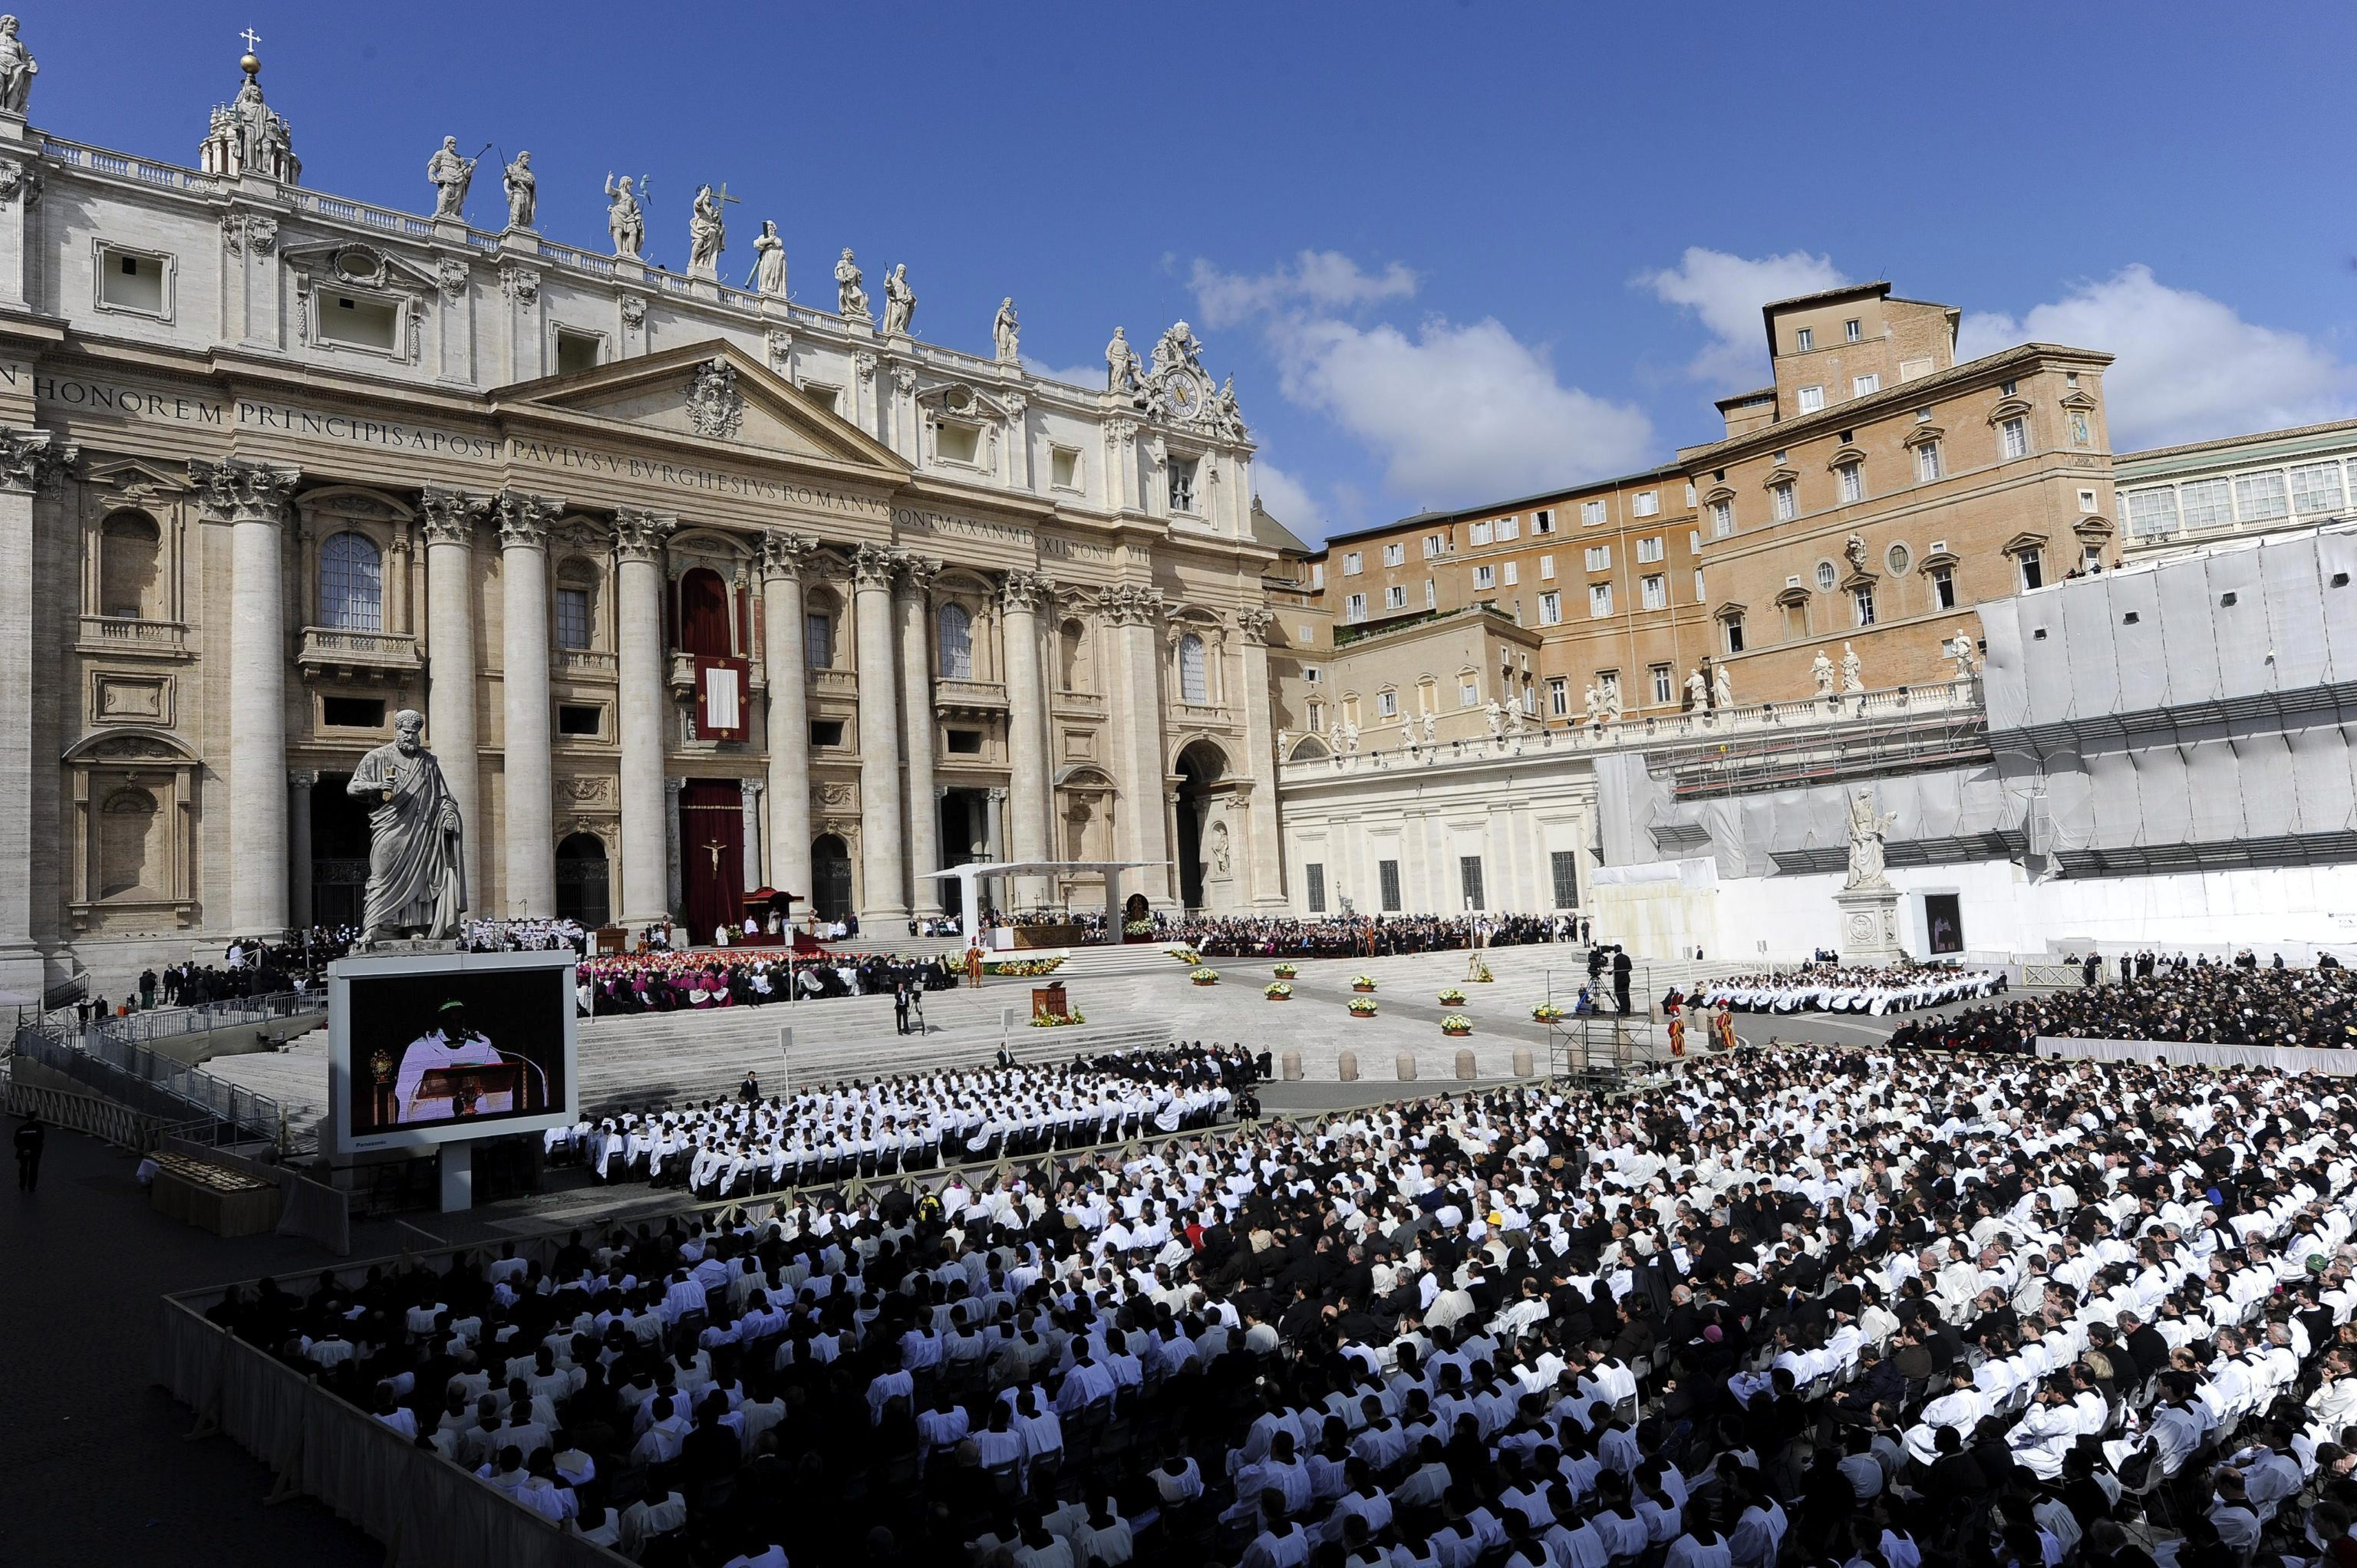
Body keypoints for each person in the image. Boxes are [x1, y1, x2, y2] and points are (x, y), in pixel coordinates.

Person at [387, 999, 506, 1124]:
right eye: (451, 1022)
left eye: (459, 1022)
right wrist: (431, 1085)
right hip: (436, 1121)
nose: (456, 1026)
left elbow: (502, 1083)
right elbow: (403, 1091)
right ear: (441, 1022)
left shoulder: (481, 1046)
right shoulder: (419, 1048)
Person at [14, 1111, 43, 1192]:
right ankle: (31, 1187)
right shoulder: (39, 1128)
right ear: (35, 1118)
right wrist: (31, 1149)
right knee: (33, 1169)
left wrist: (24, 1149)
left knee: (23, 1168)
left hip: (23, 1152)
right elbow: (40, 1140)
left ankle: (22, 1185)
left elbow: (16, 1141)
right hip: (35, 1152)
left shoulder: (20, 1129)